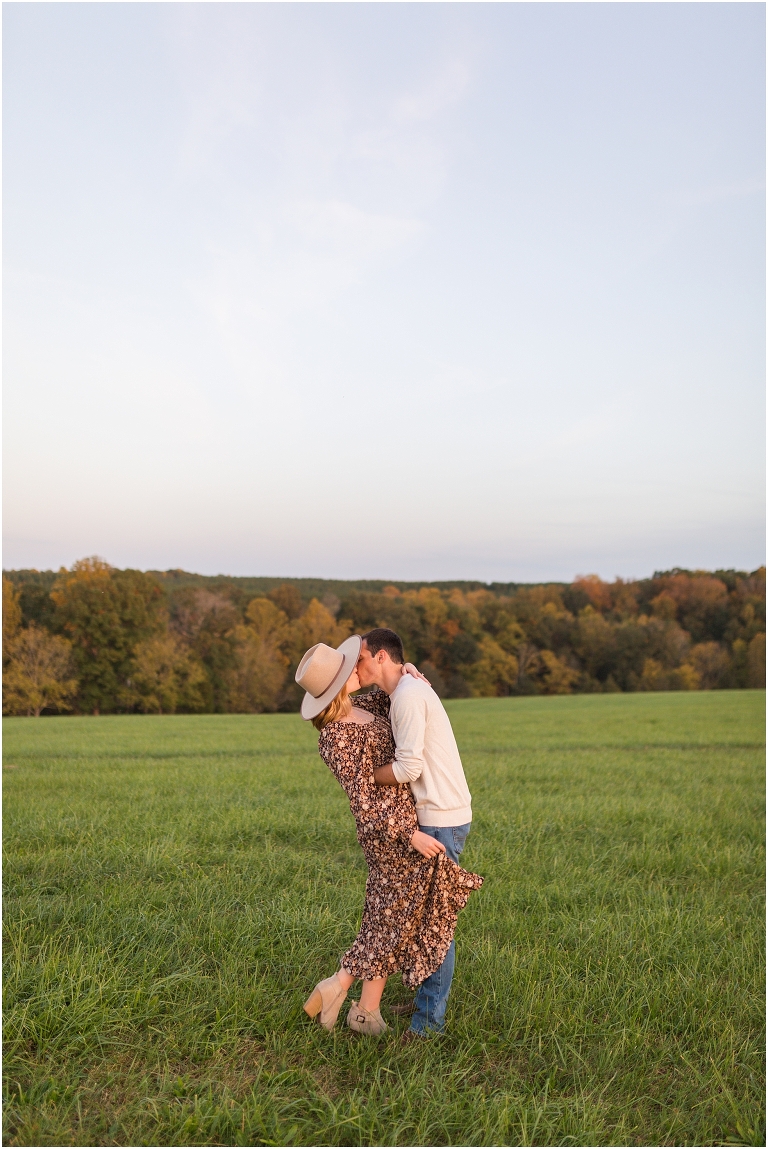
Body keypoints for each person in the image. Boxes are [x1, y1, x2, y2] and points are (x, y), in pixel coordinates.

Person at [296, 634, 482, 1039]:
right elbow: (363, 799)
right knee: (405, 916)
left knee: (389, 915)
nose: (358, 666)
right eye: (352, 665)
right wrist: (409, 833)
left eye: (358, 660)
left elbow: (397, 691)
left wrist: (407, 670)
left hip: (411, 821)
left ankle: (359, 1003)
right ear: (340, 681)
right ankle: (356, 996)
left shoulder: (366, 703)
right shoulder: (335, 736)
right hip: (391, 831)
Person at [355, 627, 474, 1041]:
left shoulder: (406, 695)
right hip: (440, 811)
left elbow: (408, 769)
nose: (358, 666)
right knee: (423, 918)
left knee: (435, 922)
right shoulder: (403, 688)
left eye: (363, 658)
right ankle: (427, 1000)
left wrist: (365, 778)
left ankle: (427, 1026)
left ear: (382, 656)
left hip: (440, 816)